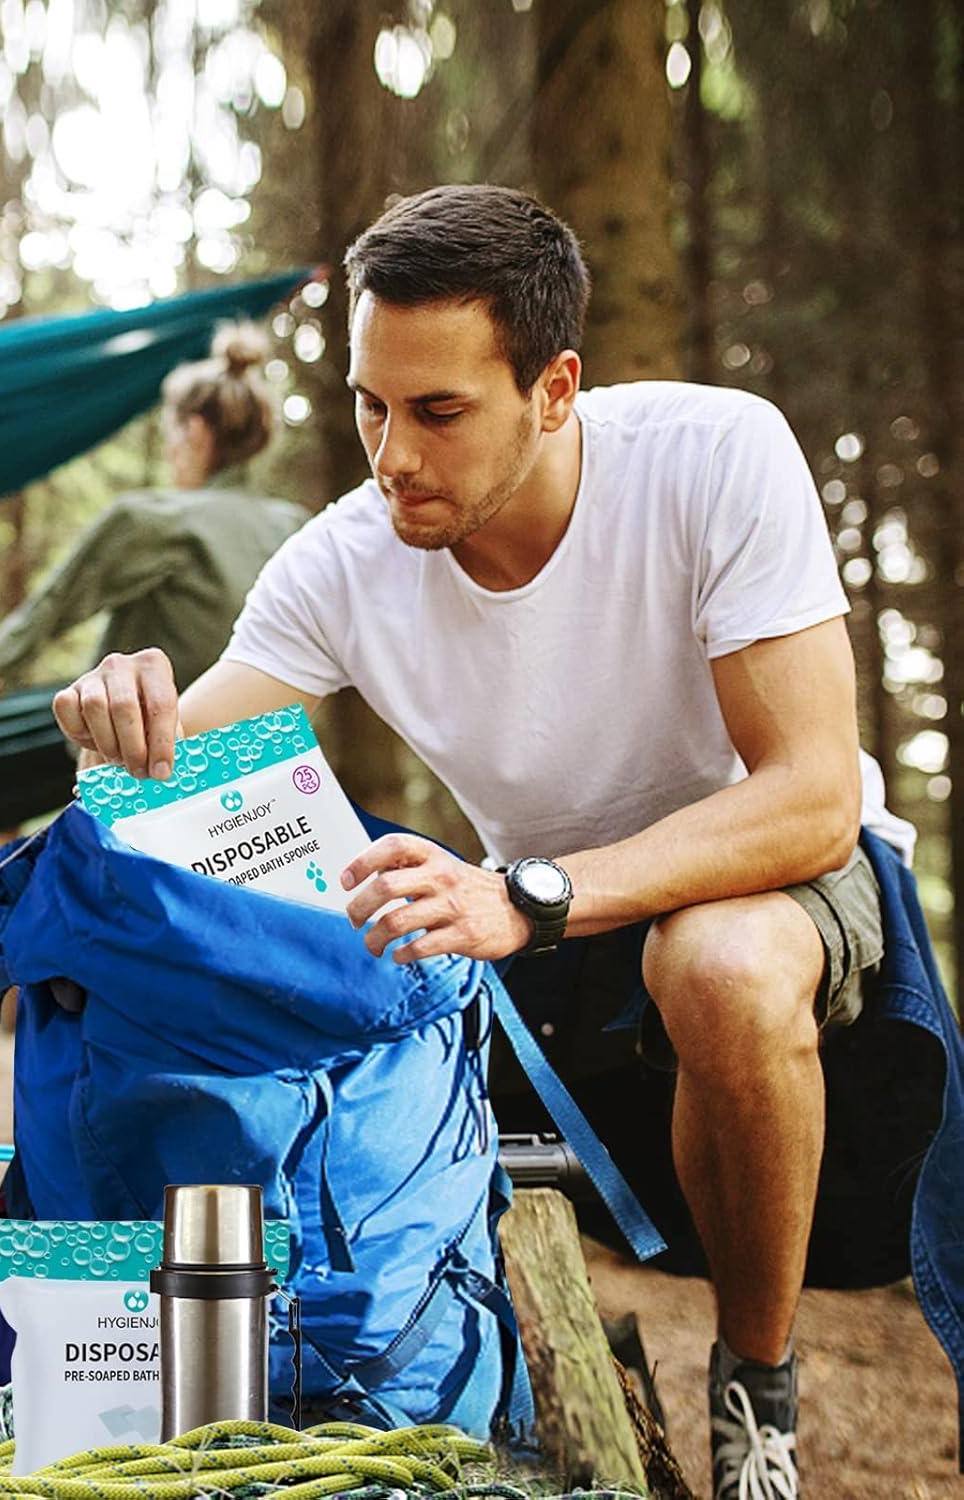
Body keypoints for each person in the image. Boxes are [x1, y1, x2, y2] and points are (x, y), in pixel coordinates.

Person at [50, 185, 912, 1498]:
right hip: (545, 940)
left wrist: (531, 892)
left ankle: (756, 1387)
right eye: (369, 406)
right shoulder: (343, 560)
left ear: (555, 389)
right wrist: (118, 728)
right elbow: (169, 772)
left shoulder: (713, 456)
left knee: (713, 965)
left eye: (438, 411)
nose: (392, 455)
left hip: (765, 878)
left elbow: (810, 796)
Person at [0, 324, 308, 697]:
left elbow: (56, 601)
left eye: (169, 434)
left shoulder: (152, 519)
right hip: (276, 732)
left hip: (161, 730)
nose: (168, 453)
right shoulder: (295, 526)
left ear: (195, 431)